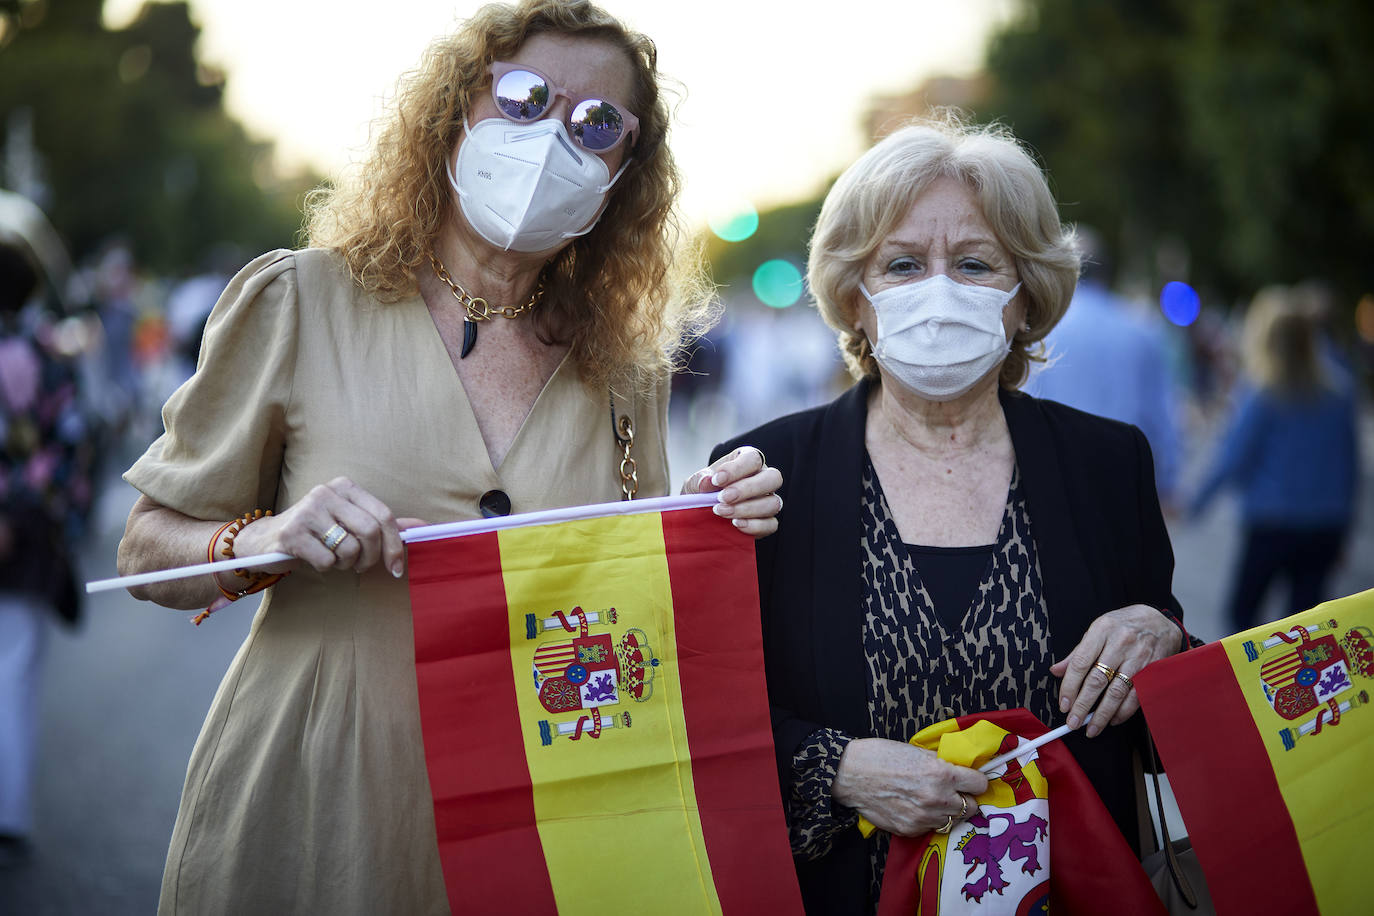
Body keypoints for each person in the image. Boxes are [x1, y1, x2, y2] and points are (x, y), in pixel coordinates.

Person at [115, 2, 780, 911]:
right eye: (522, 97)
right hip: (321, 785)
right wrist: (265, 536)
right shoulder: (300, 301)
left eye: (595, 125)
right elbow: (144, 552)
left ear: (624, 174)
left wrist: (694, 523)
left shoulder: (623, 370)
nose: (549, 137)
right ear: (458, 111)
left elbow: (617, 613)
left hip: (532, 816)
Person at [713, 114, 1191, 911]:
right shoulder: (769, 477)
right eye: (902, 264)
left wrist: (1162, 636)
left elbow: (1164, 702)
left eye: (974, 264)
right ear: (856, 301)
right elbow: (718, 720)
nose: (938, 291)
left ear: (1023, 297)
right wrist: (836, 769)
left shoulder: (1108, 465)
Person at [0, 216, 94, 868]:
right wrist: (44, 507)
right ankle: (9, 811)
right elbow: (70, 444)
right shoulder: (46, 357)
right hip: (27, 534)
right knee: (16, 671)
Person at [1188, 286, 1359, 634]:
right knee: (1308, 624)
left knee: (1242, 617)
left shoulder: (1263, 390)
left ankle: (1253, 687)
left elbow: (1232, 458)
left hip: (1272, 523)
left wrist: (1195, 504)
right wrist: (1346, 529)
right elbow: (1350, 468)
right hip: (1325, 524)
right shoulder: (1339, 390)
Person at [1024, 226, 1183, 507]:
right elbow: (1161, 415)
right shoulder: (1142, 330)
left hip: (1057, 485)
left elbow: (1025, 410)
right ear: (1107, 271)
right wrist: (1168, 481)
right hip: (1124, 482)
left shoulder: (1040, 334)